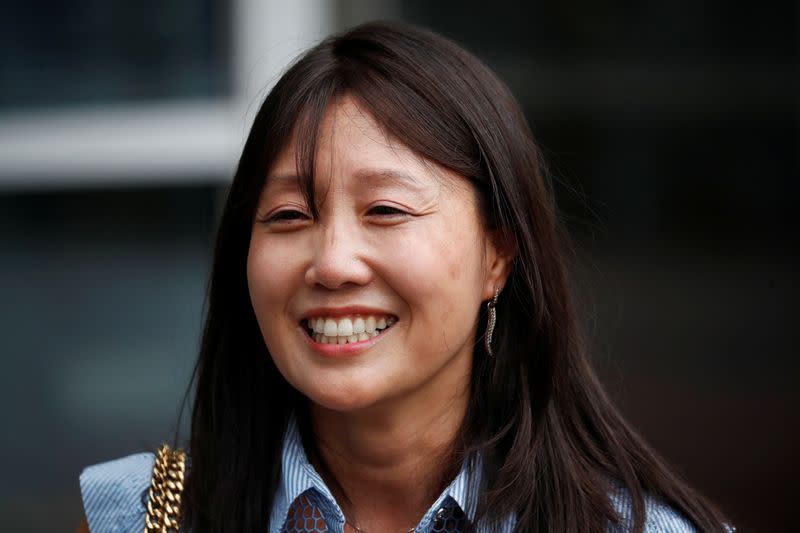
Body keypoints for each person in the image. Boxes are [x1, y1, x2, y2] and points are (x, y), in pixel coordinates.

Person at [77, 21, 731, 533]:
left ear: (497, 256)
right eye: (287, 214)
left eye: (385, 210)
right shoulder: (141, 515)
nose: (332, 262)